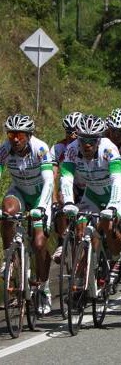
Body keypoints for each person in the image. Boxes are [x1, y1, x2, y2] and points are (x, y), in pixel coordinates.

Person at [60, 114, 121, 291]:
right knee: (81, 228)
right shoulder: (72, 149)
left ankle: (116, 259)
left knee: (108, 224)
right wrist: (68, 202)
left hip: (117, 191)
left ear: (99, 138)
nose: (87, 144)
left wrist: (113, 205)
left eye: (92, 140)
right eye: (84, 139)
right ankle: (84, 276)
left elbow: (116, 179)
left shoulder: (109, 149)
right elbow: (66, 178)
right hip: (92, 192)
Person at [0, 114, 54, 314]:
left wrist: (40, 208)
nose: (15, 139)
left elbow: (49, 181)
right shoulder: (5, 149)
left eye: (19, 135)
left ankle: (43, 287)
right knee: (6, 214)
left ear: (29, 135)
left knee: (39, 244)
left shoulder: (40, 149)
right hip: (20, 192)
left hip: (41, 196)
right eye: (11, 134)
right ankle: (8, 260)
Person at [51, 111, 83, 263]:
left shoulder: (88, 144)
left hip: (88, 184)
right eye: (69, 131)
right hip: (70, 184)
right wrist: (53, 199)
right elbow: (52, 175)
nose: (72, 135)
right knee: (62, 203)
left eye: (76, 131)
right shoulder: (58, 148)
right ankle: (61, 242)